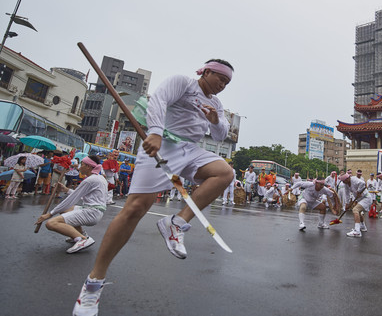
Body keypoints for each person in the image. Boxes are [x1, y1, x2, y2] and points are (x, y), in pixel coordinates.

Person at [72, 59, 234, 315]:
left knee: (225, 173)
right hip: (163, 144)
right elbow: (158, 100)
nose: (223, 85)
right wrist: (156, 132)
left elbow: (220, 136)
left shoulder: (216, 103)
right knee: (135, 208)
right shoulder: (183, 82)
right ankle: (93, 283)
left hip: (191, 150)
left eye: (227, 83)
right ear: (206, 71)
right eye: (220, 79)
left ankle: (176, 223)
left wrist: (215, 120)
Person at [35, 155, 107, 253]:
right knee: (65, 210)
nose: (79, 167)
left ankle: (82, 239)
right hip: (94, 211)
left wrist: (50, 214)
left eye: (82, 164)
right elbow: (81, 195)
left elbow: (71, 200)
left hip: (91, 212)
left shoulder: (90, 180)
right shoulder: (99, 178)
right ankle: (80, 234)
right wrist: (66, 189)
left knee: (51, 223)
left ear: (88, 167)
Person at [338, 172, 371, 237]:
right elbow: (347, 194)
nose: (343, 182)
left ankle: (357, 231)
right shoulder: (346, 185)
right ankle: (363, 227)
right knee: (359, 212)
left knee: (355, 210)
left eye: (343, 181)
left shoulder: (354, 180)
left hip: (366, 198)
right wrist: (347, 204)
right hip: (360, 199)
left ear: (347, 179)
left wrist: (358, 191)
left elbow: (363, 183)